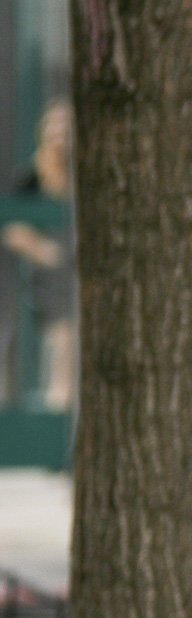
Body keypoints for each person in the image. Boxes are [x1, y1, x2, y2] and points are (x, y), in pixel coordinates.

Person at [5, 98, 76, 411]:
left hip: (76, 269)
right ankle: (59, 399)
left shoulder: (81, 175)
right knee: (62, 334)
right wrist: (47, 251)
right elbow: (12, 229)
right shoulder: (30, 176)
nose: (59, 133)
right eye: (54, 125)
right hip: (47, 273)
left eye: (66, 126)